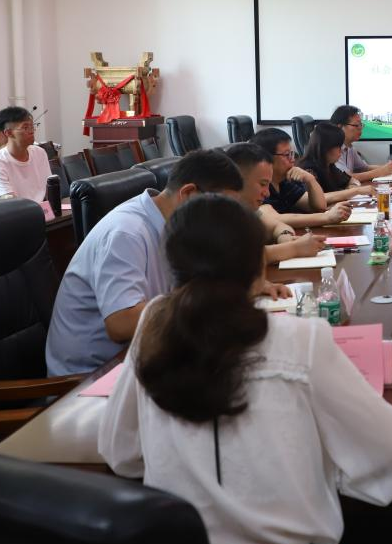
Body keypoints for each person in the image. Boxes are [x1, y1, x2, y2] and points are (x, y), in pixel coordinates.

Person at [99, 194, 392, 544]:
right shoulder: (301, 339)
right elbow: (387, 451)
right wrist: (320, 472)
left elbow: (121, 452)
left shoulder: (153, 326)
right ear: (258, 268)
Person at [46, 149, 250, 376]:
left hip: (145, 356)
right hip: (89, 378)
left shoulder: (177, 226)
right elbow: (121, 323)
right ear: (188, 194)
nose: (223, 221)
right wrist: (209, 302)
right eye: (221, 210)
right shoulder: (127, 233)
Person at [224, 142, 328, 265]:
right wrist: (294, 248)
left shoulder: (245, 209)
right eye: (263, 184)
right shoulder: (214, 213)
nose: (267, 193)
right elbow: (241, 258)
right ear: (236, 180)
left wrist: (285, 237)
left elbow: (278, 226)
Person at [250, 128, 352, 229]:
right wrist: (327, 217)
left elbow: (320, 206)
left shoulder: (284, 182)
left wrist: (310, 180)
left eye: (292, 154)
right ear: (267, 158)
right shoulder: (260, 187)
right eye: (287, 155)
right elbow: (273, 219)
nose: (292, 160)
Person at [0, 106, 50, 201]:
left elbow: (49, 190)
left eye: (32, 126)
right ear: (8, 133)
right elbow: (9, 203)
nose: (32, 131)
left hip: (43, 209)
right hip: (15, 210)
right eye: (25, 127)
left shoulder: (39, 153)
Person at [300, 124, 374, 202]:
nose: (341, 150)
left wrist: (352, 187)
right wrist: (355, 191)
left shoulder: (330, 165)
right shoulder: (308, 171)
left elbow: (351, 180)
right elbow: (318, 199)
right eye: (338, 146)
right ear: (325, 147)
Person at [329, 104, 392, 182]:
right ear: (340, 127)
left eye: (361, 125)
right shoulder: (332, 149)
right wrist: (381, 171)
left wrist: (390, 167)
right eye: (356, 125)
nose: (360, 128)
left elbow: (364, 168)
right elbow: (346, 178)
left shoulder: (350, 147)